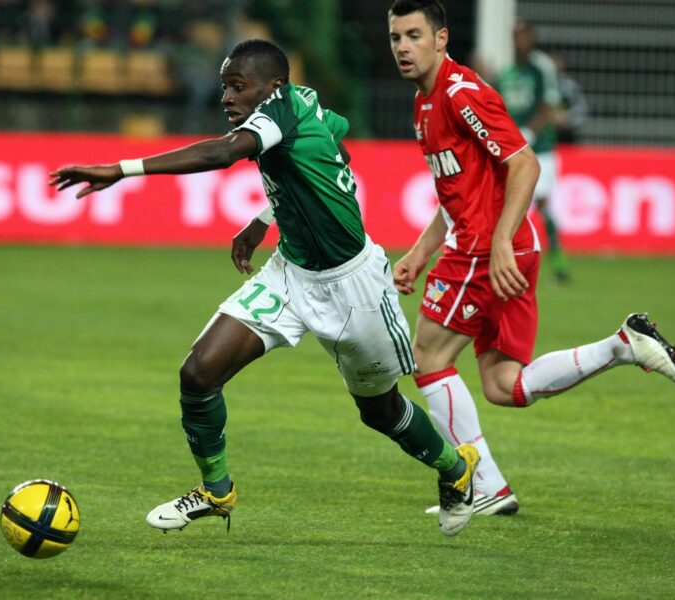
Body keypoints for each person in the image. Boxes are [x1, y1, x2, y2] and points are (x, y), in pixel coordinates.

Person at [51, 39, 481, 537]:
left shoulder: (277, 112)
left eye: (238, 87)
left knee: (380, 412)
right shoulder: (303, 103)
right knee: (198, 373)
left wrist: (120, 169)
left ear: (273, 87)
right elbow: (333, 143)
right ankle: (216, 491)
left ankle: (456, 467)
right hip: (291, 274)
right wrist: (266, 216)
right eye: (223, 87)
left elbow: (224, 153)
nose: (227, 98)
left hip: (355, 287)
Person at [387, 0, 675, 517]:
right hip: (504, 245)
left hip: (487, 249)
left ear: (441, 39)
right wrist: (420, 251)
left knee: (429, 358)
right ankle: (621, 345)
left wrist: (500, 240)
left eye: (414, 35)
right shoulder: (423, 104)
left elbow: (524, 163)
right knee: (503, 385)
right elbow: (455, 190)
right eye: (395, 37)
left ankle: (478, 484)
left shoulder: (462, 95)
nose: (402, 47)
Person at [495, 19, 569, 283]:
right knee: (512, 205)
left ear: (532, 38)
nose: (519, 41)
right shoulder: (507, 72)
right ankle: (513, 260)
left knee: (543, 203)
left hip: (541, 149)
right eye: (515, 36)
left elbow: (548, 107)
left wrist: (528, 133)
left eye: (524, 36)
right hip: (513, 152)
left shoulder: (542, 68)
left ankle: (559, 259)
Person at [550, 52, 589, 145]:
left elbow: (582, 109)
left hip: (567, 135)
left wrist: (567, 118)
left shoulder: (570, 86)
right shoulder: (540, 86)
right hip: (545, 135)